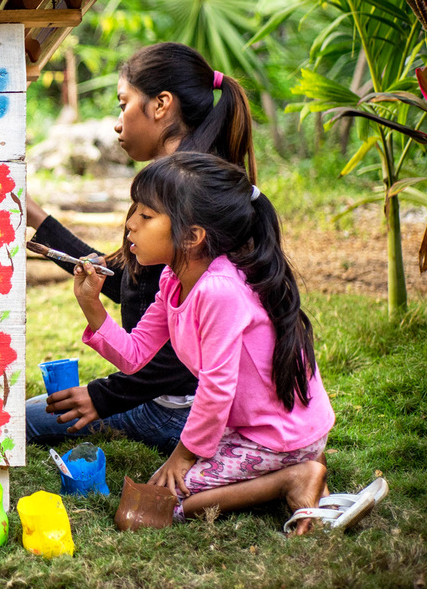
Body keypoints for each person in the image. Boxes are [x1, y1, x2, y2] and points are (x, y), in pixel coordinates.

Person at [73, 152, 333, 532]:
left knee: (167, 506)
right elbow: (134, 356)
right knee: (161, 489)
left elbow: (216, 388)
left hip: (277, 434)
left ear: (193, 236)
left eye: (146, 216)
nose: (130, 224)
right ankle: (293, 470)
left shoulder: (218, 291)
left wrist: (183, 455)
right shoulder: (174, 279)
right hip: (247, 425)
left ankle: (293, 477)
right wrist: (91, 305)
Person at [25, 42, 257, 453]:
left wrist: (104, 396)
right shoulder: (188, 183)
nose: (117, 122)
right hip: (169, 397)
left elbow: (187, 355)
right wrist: (39, 221)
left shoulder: (188, 199)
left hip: (184, 409)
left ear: (161, 105)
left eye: (123, 103)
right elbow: (128, 281)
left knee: (23, 420)